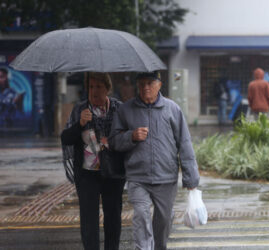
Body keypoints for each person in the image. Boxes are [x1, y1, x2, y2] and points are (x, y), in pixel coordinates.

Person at [109, 72, 200, 250]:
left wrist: (191, 179)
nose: (145, 88)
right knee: (141, 215)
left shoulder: (172, 109)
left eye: (150, 83)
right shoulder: (126, 110)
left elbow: (185, 144)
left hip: (166, 177)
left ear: (159, 85)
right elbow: (113, 141)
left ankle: (159, 246)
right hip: (137, 177)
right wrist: (131, 136)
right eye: (141, 84)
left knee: (164, 218)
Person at [61, 72, 125, 250]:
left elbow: (126, 137)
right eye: (90, 87)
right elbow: (65, 138)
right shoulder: (80, 109)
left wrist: (110, 141)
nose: (94, 91)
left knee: (113, 217)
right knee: (89, 220)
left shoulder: (119, 109)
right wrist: (80, 124)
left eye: (98, 87)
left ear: (107, 88)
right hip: (88, 175)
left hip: (113, 172)